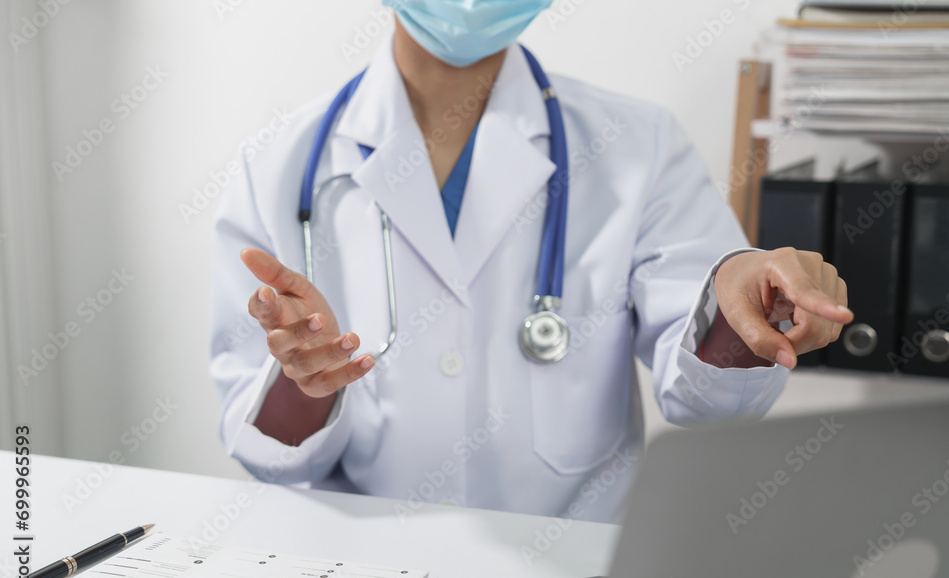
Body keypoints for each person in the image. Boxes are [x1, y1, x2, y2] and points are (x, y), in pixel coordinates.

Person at [209, 0, 852, 523]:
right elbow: (270, 456)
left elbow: (709, 403)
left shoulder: (639, 144)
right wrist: (304, 383)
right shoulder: (275, 164)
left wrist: (740, 308)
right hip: (365, 575)